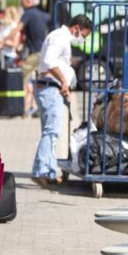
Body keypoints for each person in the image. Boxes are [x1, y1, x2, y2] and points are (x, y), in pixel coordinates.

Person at [31, 14, 92, 186]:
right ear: (76, 28)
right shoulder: (59, 37)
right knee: (51, 132)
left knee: (50, 132)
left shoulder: (60, 37)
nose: (82, 40)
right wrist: (64, 81)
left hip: (50, 88)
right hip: (50, 87)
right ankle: (40, 171)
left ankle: (49, 173)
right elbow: (49, 61)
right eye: (83, 35)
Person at [8, 0, 51, 117]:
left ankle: (23, 109)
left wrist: (4, 40)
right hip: (44, 53)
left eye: (22, 3)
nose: (21, 6)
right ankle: (36, 107)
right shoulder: (43, 14)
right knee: (39, 81)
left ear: (27, 2)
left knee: (22, 78)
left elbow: (18, 28)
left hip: (34, 53)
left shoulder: (28, 13)